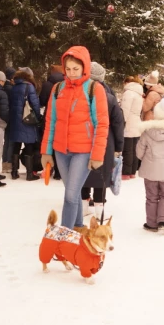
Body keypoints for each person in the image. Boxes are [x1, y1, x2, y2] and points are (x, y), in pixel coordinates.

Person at [41, 46, 110, 229]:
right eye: (68, 69)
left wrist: (97, 154)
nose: (71, 73)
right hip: (61, 150)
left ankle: (64, 234)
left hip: (84, 151)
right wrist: (46, 151)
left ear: (84, 68)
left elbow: (101, 124)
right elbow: (51, 121)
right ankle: (78, 227)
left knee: (70, 196)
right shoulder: (58, 89)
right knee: (74, 192)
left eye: (76, 69)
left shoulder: (95, 89)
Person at [80, 62, 124, 220]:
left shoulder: (79, 93)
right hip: (105, 140)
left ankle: (84, 206)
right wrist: (119, 145)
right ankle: (99, 210)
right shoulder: (110, 97)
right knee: (101, 175)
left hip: (82, 139)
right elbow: (118, 123)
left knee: (83, 172)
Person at [136, 96, 164, 233]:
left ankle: (151, 223)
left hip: (150, 171)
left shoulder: (147, 131)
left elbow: (139, 152)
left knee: (151, 196)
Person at [8, 67, 41, 181]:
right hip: (27, 119)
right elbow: (35, 104)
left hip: (15, 120)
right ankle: (29, 174)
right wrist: (38, 117)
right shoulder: (29, 87)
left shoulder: (14, 87)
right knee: (29, 146)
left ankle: (14, 172)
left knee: (16, 145)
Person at [39, 64, 65, 180]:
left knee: (50, 141)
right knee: (60, 142)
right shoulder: (66, 84)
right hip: (63, 116)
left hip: (50, 115)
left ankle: (49, 168)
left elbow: (42, 101)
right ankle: (60, 172)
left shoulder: (47, 84)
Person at [120, 75, 144, 180]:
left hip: (129, 123)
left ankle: (126, 172)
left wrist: (121, 123)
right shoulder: (138, 94)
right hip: (137, 122)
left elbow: (125, 110)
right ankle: (133, 171)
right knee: (134, 149)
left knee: (127, 150)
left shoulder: (128, 93)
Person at [1, 67, 16, 173]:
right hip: (11, 117)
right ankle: (9, 163)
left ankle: (4, 163)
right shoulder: (11, 88)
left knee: (6, 141)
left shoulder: (4, 87)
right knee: (11, 142)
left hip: (5, 118)